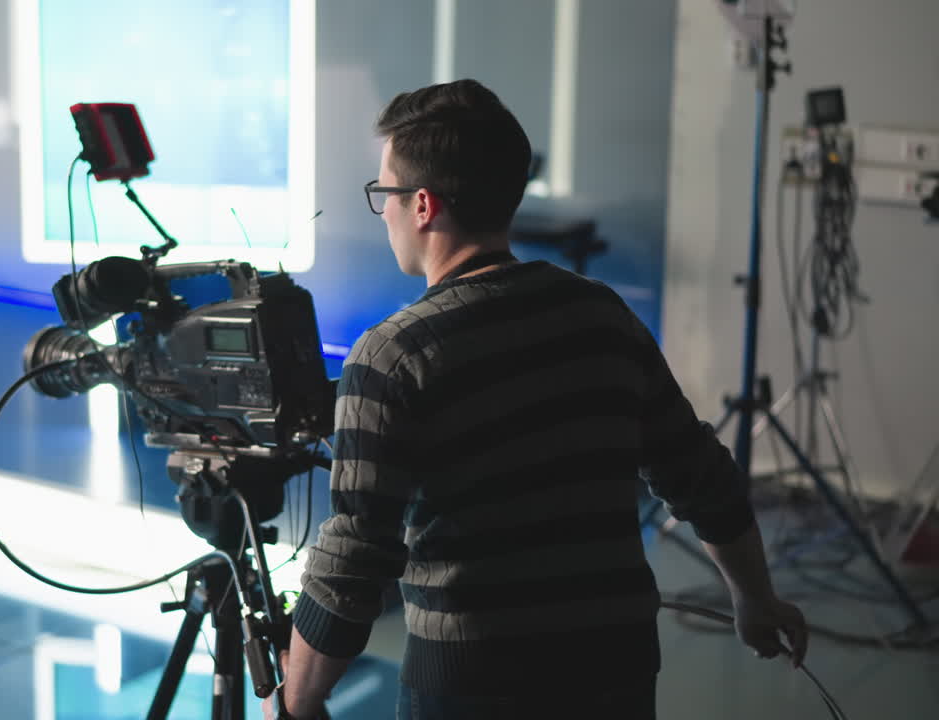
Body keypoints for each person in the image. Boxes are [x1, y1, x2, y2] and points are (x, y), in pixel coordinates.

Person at [262, 79, 808, 720]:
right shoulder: (604, 315)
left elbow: (355, 557)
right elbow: (701, 475)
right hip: (619, 669)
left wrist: (296, 702)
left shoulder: (393, 355)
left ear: (423, 206)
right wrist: (755, 599)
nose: (382, 212)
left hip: (470, 688)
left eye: (385, 194)